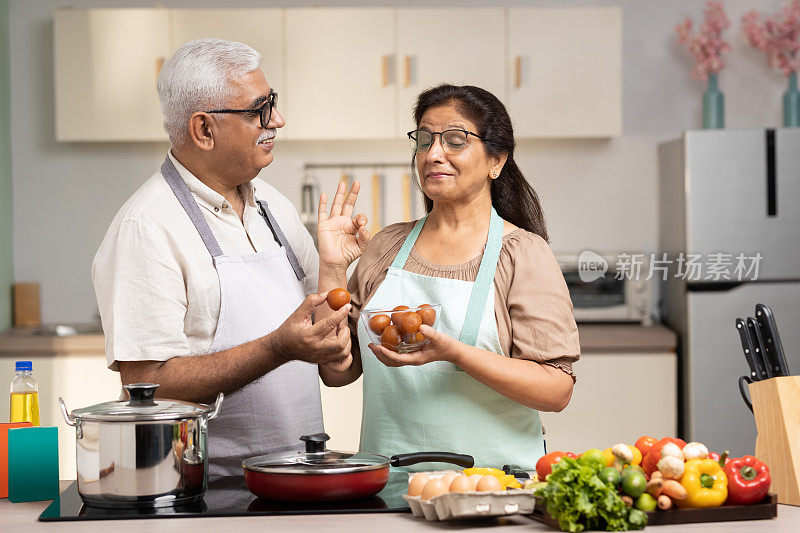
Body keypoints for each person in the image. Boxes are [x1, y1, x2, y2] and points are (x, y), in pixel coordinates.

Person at [92, 39, 369, 476]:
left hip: (298, 482)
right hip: (211, 498)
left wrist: (334, 269)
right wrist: (277, 348)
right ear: (204, 130)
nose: (277, 120)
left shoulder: (273, 207)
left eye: (272, 103)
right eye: (259, 109)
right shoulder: (146, 227)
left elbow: (336, 371)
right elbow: (147, 386)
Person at [323, 84, 580, 470]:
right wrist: (332, 268)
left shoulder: (523, 253)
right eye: (424, 140)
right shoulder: (386, 247)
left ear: (496, 161)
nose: (433, 154)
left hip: (493, 491)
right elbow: (337, 372)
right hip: (390, 488)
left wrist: (454, 353)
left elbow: (556, 390)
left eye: (455, 140)